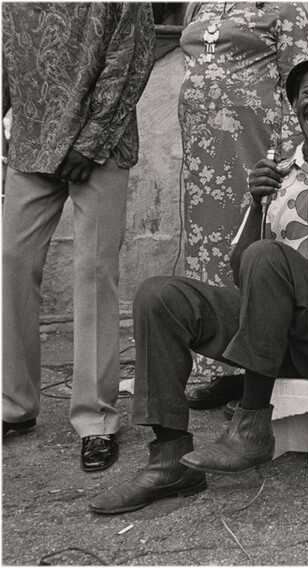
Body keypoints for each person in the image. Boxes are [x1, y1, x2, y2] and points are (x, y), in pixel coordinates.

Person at [90, 44, 308, 514]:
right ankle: (169, 458)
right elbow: (243, 269)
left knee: (270, 257)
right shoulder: (276, 179)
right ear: (295, 107)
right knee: (160, 296)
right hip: (278, 343)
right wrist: (256, 206)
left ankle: (251, 424)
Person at [2, 3, 156, 472]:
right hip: (31, 139)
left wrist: (90, 143)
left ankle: (96, 420)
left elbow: (129, 65)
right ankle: (15, 405)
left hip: (101, 144)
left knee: (93, 272)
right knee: (10, 259)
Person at [179, 2, 308, 410]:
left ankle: (252, 368)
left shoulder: (284, 8)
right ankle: (216, 364)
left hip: (253, 149)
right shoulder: (198, 4)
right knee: (206, 251)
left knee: (249, 248)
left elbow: (298, 85)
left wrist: (286, 158)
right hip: (203, 153)